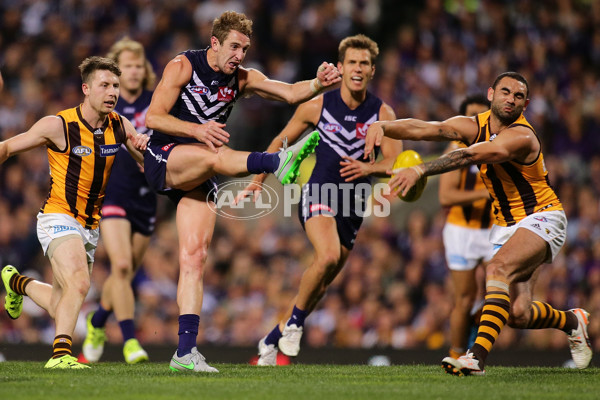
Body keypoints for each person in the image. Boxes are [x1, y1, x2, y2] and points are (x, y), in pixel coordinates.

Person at [143, 11, 341, 373]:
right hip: (165, 157)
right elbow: (153, 118)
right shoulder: (183, 65)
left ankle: (185, 353)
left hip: (201, 168)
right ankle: (274, 162)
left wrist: (319, 82)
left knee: (196, 256)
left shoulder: (243, 79)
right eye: (234, 46)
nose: (239, 54)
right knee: (213, 154)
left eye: (245, 48)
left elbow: (290, 92)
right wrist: (198, 130)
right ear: (214, 43)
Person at [364, 71, 592, 376]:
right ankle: (573, 321)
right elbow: (429, 128)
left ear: (526, 104)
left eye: (518, 96)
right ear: (491, 94)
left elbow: (470, 155)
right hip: (507, 225)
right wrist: (384, 126)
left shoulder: (522, 136)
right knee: (519, 314)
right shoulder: (474, 125)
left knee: (496, 269)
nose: (511, 99)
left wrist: (422, 170)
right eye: (505, 92)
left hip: (543, 216)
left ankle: (475, 357)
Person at [239, 34, 403, 365]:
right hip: (319, 192)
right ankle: (295, 324)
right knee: (327, 257)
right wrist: (257, 182)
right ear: (341, 68)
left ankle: (271, 340)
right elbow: (279, 142)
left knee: (322, 282)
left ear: (372, 70)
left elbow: (393, 163)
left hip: (354, 203)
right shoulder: (317, 105)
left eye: (364, 64)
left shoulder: (383, 113)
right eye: (352, 63)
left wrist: (368, 167)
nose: (358, 69)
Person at [1, 56, 148, 369]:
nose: (112, 92)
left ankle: (17, 284)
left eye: (116, 86)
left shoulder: (120, 126)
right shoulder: (59, 125)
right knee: (80, 284)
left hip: (90, 225)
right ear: (86, 89)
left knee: (60, 304)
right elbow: (9, 148)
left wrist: (154, 147)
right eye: (104, 85)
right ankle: (60, 356)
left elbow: (150, 163)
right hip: (57, 216)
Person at [83, 38, 157, 364]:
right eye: (127, 65)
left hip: (147, 195)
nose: (134, 71)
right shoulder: (106, 106)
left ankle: (97, 322)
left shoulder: (157, 102)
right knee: (122, 266)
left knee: (123, 276)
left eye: (139, 65)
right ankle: (130, 342)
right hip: (113, 192)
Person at [439, 94, 493, 359]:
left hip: (496, 230)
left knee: (500, 298)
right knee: (464, 299)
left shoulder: (501, 149)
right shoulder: (457, 150)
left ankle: (475, 344)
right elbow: (445, 196)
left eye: (482, 117)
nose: (477, 123)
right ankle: (457, 354)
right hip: (463, 231)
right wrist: (484, 194)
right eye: (472, 117)